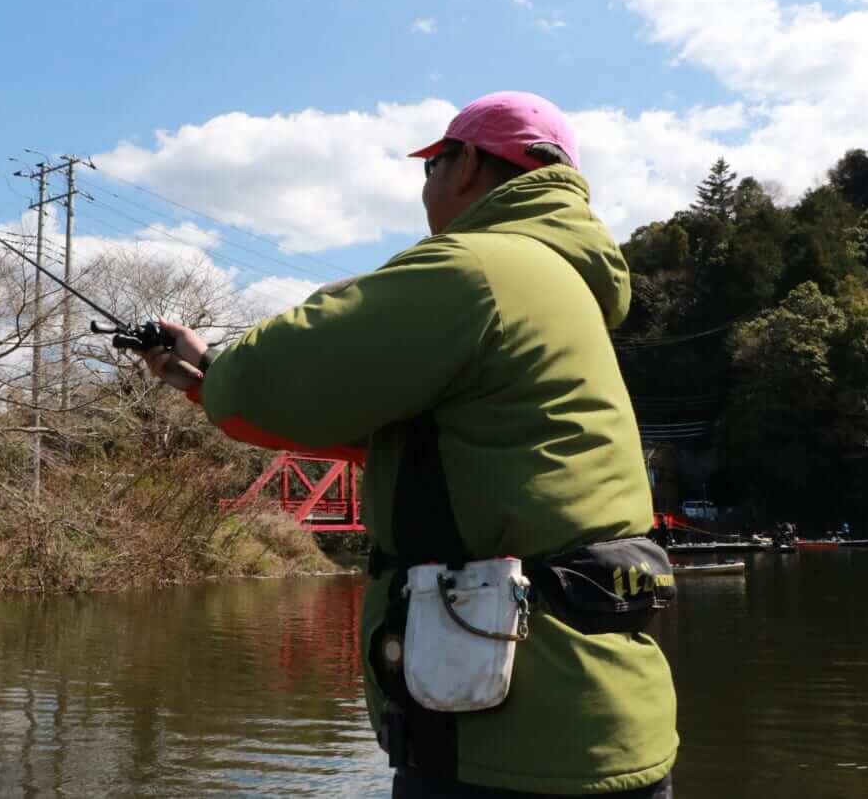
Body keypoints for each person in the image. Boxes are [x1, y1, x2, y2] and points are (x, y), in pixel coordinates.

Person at [137, 92, 677, 797]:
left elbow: (269, 380)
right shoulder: (563, 286)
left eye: (431, 167)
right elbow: (404, 441)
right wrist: (206, 376)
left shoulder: (475, 268)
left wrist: (227, 372)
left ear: (471, 165)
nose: (424, 188)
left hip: (504, 745)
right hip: (605, 727)